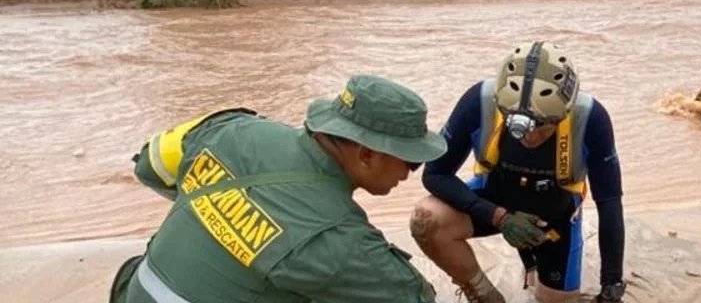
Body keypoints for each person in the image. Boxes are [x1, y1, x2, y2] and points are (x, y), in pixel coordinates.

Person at [108, 75, 448, 303]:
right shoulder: (343, 243)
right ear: (365, 154)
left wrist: (225, 215)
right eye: (410, 161)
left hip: (135, 291)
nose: (409, 173)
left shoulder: (232, 129)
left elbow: (149, 166)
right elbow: (414, 296)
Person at [411, 41, 626, 303]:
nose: (531, 136)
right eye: (519, 126)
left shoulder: (590, 117)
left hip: (556, 217)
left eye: (543, 127)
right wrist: (500, 217)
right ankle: (484, 295)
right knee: (426, 220)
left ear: (565, 112)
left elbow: (610, 202)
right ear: (502, 106)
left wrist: (612, 285)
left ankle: (536, 262)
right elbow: (434, 173)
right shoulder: (480, 100)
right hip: (495, 200)